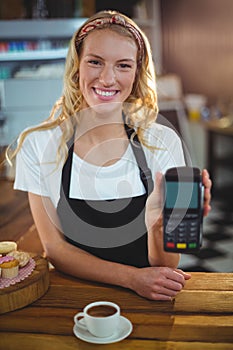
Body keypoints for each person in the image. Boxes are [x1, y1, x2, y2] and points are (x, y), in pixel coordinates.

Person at [9, 10, 212, 301]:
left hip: (148, 296)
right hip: (73, 298)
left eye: (123, 65)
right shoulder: (39, 145)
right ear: (76, 66)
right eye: (95, 61)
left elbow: (166, 266)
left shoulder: (162, 141)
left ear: (136, 73)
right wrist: (131, 278)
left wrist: (157, 226)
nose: (107, 78)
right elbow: (55, 250)